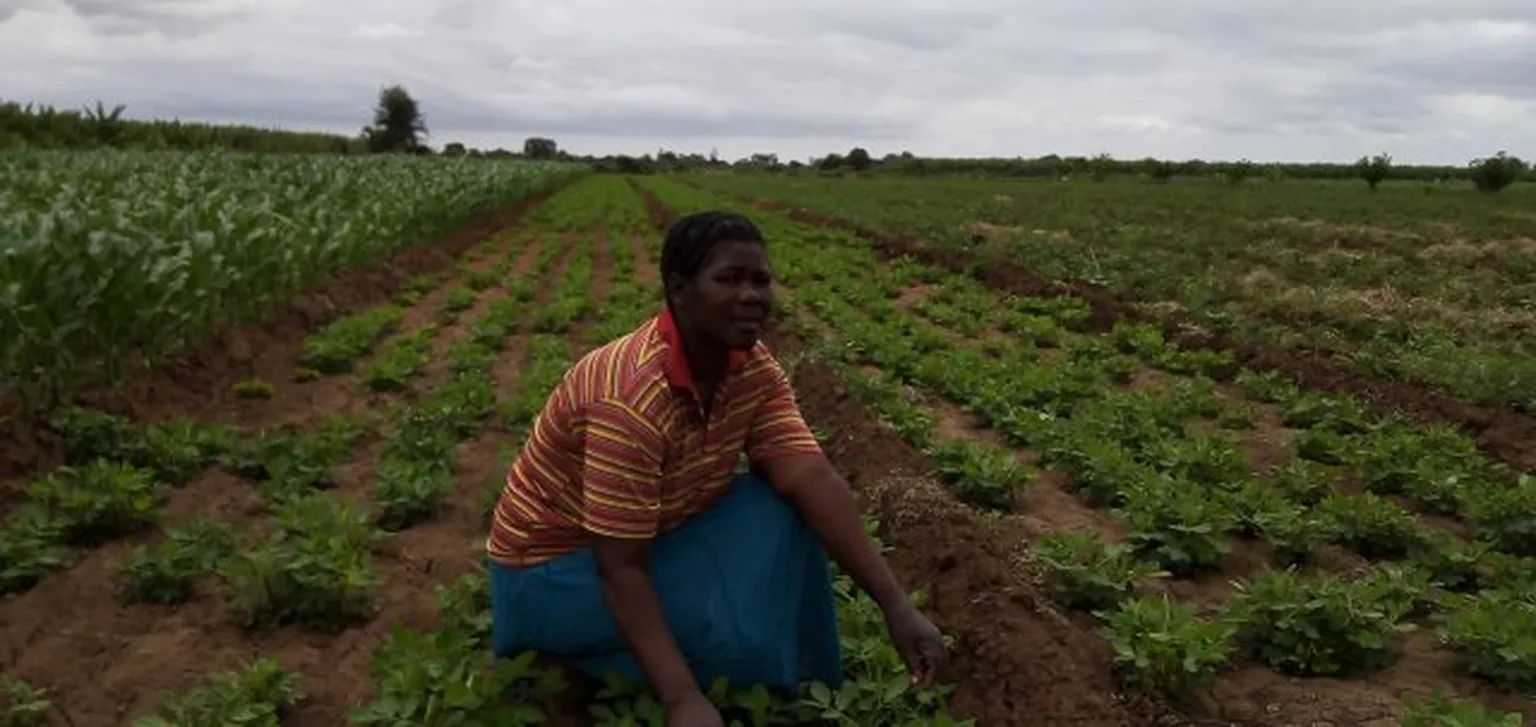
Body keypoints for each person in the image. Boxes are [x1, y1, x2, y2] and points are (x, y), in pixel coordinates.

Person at [484, 210, 946, 726]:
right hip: (554, 570)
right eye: (728, 279)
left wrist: (895, 605)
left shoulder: (750, 365)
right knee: (714, 630)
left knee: (789, 504)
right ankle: (568, 656)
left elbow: (809, 476)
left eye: (760, 280)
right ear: (679, 289)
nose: (751, 295)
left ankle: (794, 669)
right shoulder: (629, 400)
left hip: (653, 532)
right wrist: (683, 700)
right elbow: (621, 568)